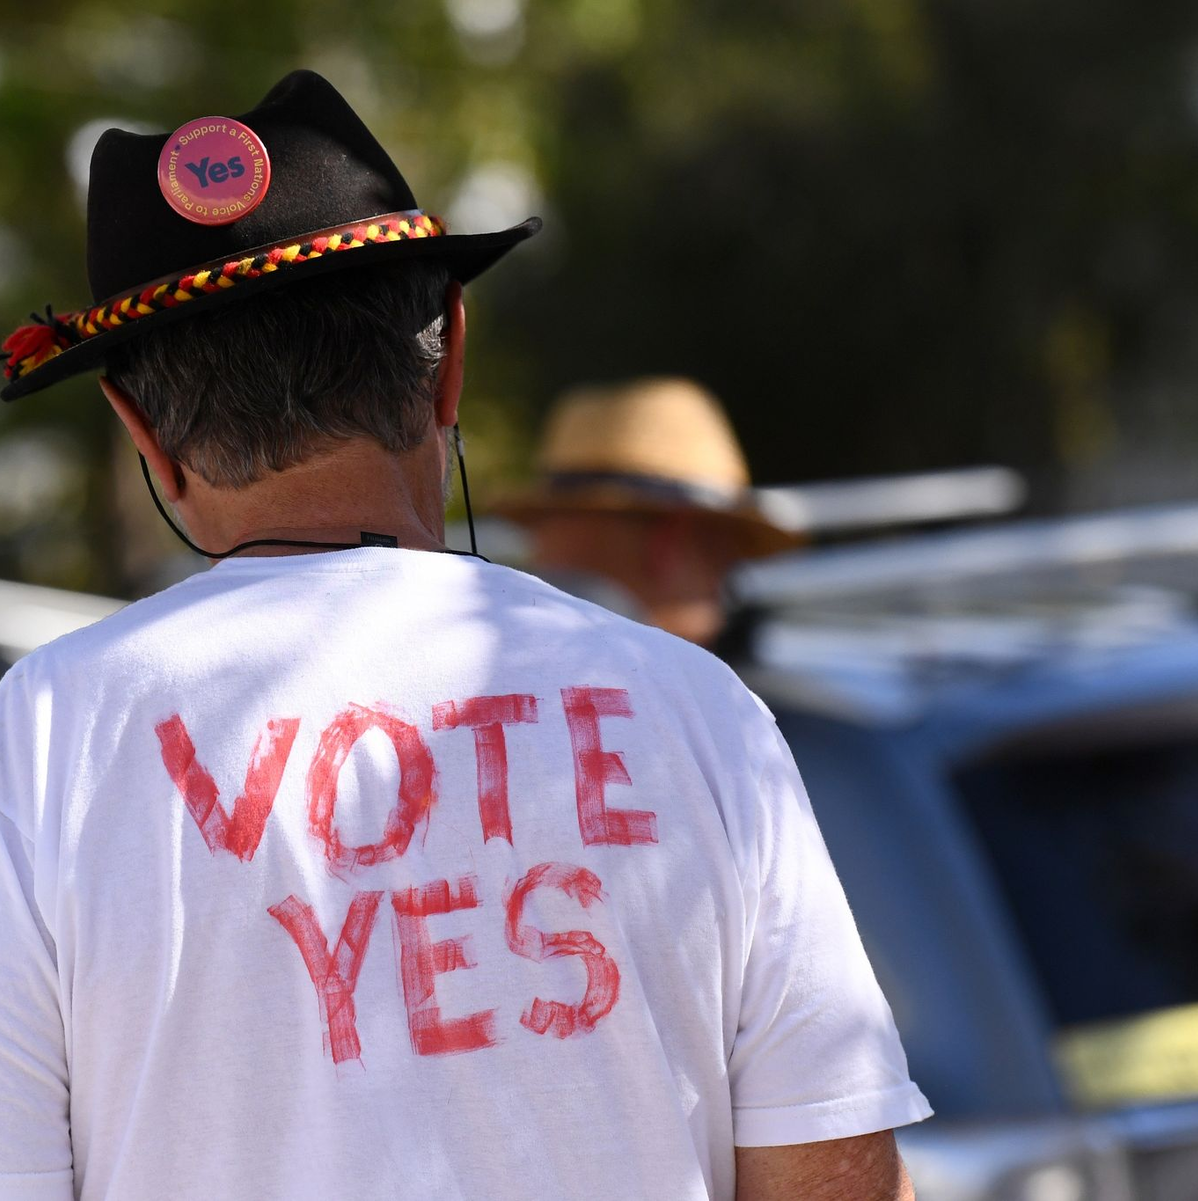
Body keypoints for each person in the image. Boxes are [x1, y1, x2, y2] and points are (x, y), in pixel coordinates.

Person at [0, 71, 929, 1200]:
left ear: (140, 430)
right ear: (447, 357)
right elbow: (831, 1177)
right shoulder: (701, 716)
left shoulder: (35, 750)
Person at [496, 377, 800, 648]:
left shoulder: (472, 655)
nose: (724, 593)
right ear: (669, 542)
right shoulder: (720, 702)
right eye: (721, 557)